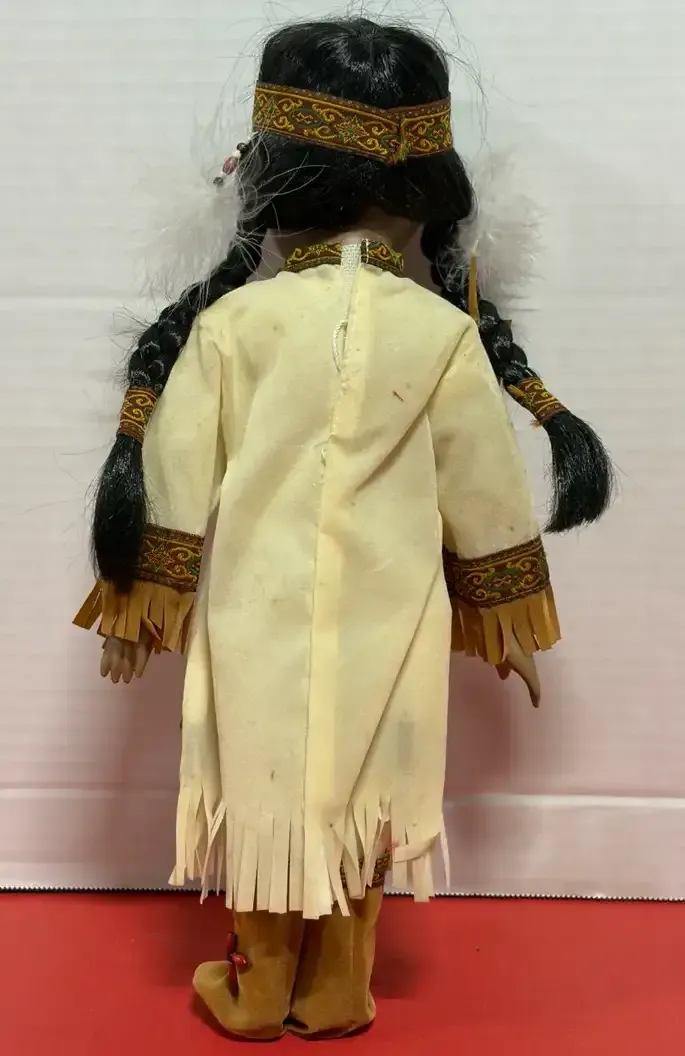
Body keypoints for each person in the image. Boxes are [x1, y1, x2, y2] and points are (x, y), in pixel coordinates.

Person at [74, 17, 613, 1041]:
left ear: (269, 176)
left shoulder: (236, 326)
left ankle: (259, 985)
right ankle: (336, 988)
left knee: (262, 780)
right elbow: (484, 486)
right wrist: (506, 614)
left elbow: (177, 474)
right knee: (368, 782)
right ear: (427, 190)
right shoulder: (442, 332)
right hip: (390, 614)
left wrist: (141, 603)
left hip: (256, 612)